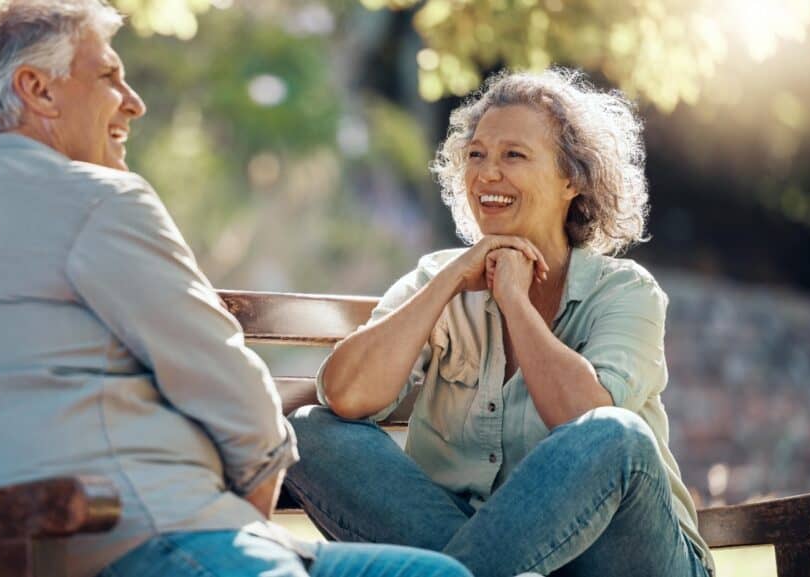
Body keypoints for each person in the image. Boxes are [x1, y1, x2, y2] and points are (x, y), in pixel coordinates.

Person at [0, 1, 471, 577]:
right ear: (38, 90)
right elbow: (234, 392)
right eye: (110, 76)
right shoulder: (101, 200)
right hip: (142, 537)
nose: (134, 102)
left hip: (16, 547)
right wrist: (240, 527)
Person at [284, 68, 716, 577]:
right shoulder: (436, 277)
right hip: (478, 544)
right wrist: (446, 284)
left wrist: (514, 299)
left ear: (572, 180)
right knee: (311, 431)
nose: (487, 173)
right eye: (476, 155)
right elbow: (345, 395)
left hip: (625, 557)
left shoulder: (625, 291)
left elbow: (583, 421)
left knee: (615, 435)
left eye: (513, 155)